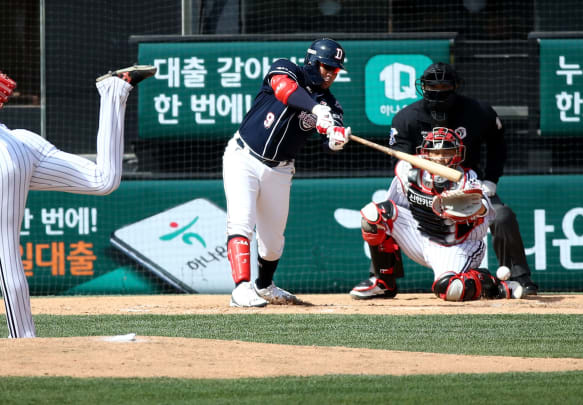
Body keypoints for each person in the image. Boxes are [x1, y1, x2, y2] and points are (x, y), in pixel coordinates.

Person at [0, 63, 157, 337]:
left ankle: (22, 339)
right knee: (103, 179)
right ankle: (113, 90)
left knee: (7, 254)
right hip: (20, 144)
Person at [350, 61, 537, 299]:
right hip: (423, 191)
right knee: (376, 214)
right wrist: (422, 189)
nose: (438, 89)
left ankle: (515, 279)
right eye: (432, 84)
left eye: (443, 84)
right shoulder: (407, 119)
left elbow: (497, 145)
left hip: (466, 186)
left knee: (501, 216)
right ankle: (382, 279)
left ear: (455, 86)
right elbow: (398, 175)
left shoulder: (478, 112)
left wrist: (488, 183)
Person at [223, 38, 351, 307]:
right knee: (241, 222)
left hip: (280, 170)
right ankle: (240, 288)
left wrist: (335, 139)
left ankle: (264, 286)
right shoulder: (286, 68)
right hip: (243, 157)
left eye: (335, 69)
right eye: (325, 66)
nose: (330, 73)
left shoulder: (330, 103)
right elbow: (284, 90)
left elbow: (333, 134)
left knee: (272, 242)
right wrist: (315, 109)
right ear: (311, 61)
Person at [351, 127, 525, 301]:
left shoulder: (467, 179)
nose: (441, 157)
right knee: (374, 214)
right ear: (426, 154)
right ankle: (384, 283)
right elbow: (392, 210)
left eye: (446, 152)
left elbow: (485, 211)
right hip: (420, 235)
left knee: (450, 289)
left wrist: (470, 207)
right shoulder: (410, 174)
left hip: (457, 246)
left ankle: (493, 285)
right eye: (435, 153)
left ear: (457, 154)